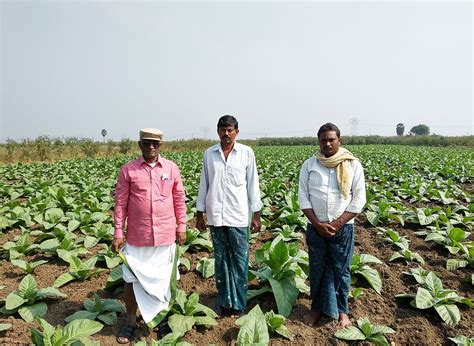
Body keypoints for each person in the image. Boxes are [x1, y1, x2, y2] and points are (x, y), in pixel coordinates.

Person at [112, 128, 187, 344]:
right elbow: (120, 204)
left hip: (165, 236)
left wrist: (182, 226)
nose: (151, 147)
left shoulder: (171, 168)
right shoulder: (129, 170)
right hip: (138, 237)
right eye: (147, 143)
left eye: (155, 143)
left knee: (164, 281)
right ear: (140, 145)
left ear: (161, 145)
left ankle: (162, 320)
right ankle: (130, 320)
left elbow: (179, 199)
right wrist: (118, 232)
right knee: (131, 279)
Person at [298, 122, 366, 328]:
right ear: (318, 142)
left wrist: (337, 223)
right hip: (316, 227)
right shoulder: (309, 165)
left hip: (343, 228)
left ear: (339, 140)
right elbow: (303, 197)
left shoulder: (353, 164)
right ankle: (317, 308)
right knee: (316, 268)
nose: (327, 143)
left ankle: (342, 310)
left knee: (341, 270)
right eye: (323, 140)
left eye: (331, 139)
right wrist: (318, 224)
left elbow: (359, 199)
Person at [195, 115, 262, 317]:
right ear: (218, 131)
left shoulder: (246, 153)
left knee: (240, 261)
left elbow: (253, 184)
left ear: (236, 132)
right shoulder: (210, 154)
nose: (226, 133)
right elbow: (204, 184)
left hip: (238, 216)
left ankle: (239, 303)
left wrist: (256, 214)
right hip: (216, 216)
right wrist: (199, 214)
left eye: (230, 130)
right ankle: (224, 301)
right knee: (221, 261)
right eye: (223, 129)